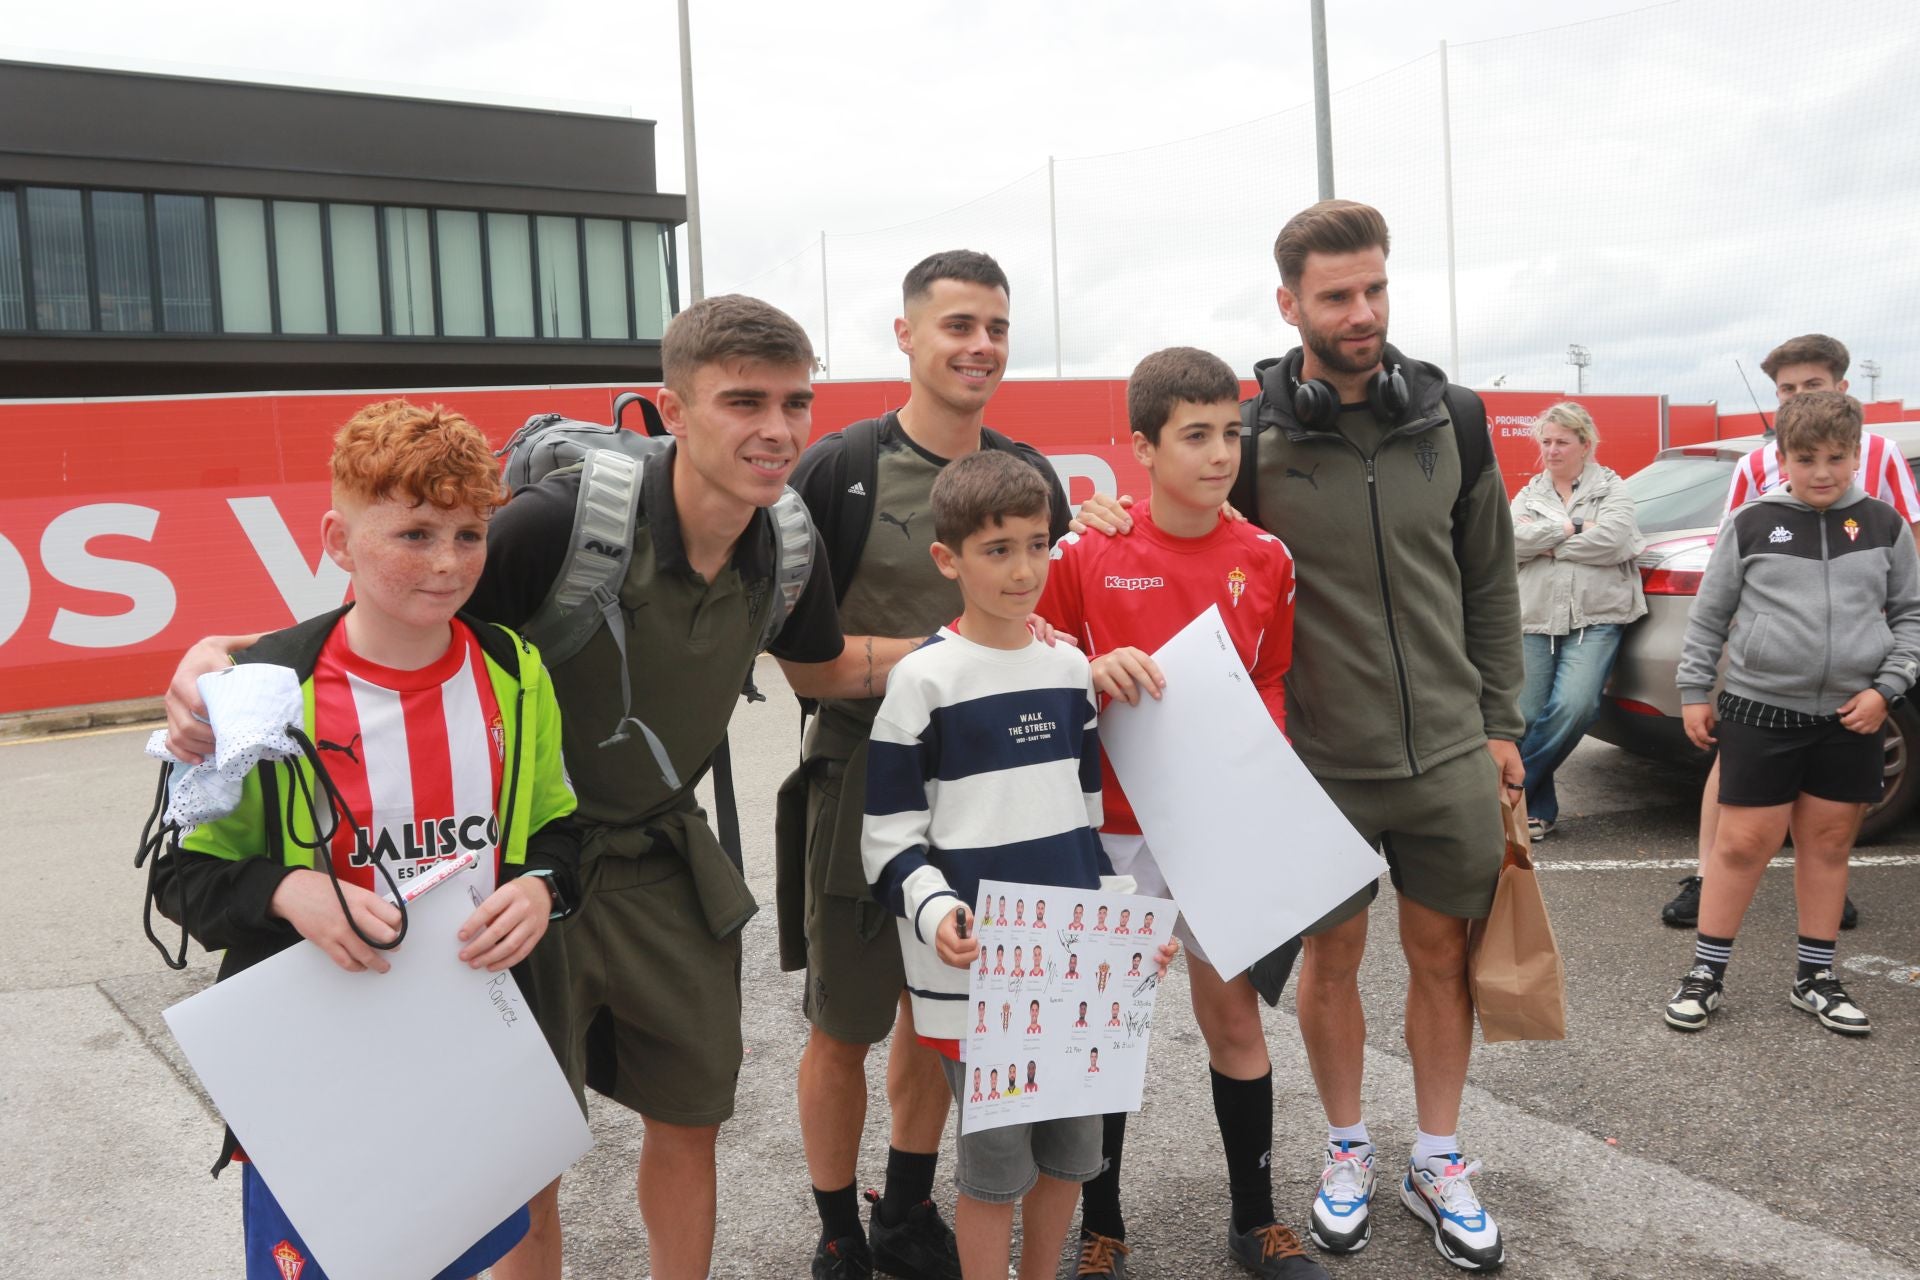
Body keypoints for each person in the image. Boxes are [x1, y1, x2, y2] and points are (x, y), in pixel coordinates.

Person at [163, 296, 876, 1280]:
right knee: (507, 1159)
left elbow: (824, 667)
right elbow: (375, 626)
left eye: (796, 401)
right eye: (743, 399)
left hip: (601, 876)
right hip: (372, 987)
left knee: (677, 1119)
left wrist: (1003, 649)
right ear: (671, 407)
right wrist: (219, 667)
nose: (778, 427)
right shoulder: (550, 529)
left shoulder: (761, 554)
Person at [150, 400, 582, 1280]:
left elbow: (561, 833)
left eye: (470, 534)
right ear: (338, 542)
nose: (449, 562)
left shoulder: (516, 671)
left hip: (467, 1049)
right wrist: (286, 890)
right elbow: (180, 876)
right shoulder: (265, 690)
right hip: (317, 1070)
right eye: (415, 534)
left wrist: (540, 888)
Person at [783, 250, 1128, 1280]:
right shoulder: (838, 470)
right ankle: (840, 1226)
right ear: (905, 336)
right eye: (958, 325)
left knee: (948, 1009)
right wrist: (947, 661)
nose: (981, 345)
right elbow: (806, 663)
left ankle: (907, 1204)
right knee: (844, 1022)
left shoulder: (1029, 477)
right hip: (864, 779)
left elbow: (1051, 632)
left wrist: (1096, 560)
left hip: (994, 792)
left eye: (997, 327)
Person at [1231, 200, 1522, 1270]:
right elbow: (1183, 533)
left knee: (1443, 956)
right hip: (1316, 760)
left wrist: (1501, 724)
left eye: (1376, 289)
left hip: (1447, 751)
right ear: (1289, 303)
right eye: (1337, 295)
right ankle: (1347, 1146)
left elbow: (1490, 582)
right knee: (1332, 955)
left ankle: (1437, 1155)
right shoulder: (1252, 434)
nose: (1363, 313)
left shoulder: (1456, 418)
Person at [1037, 346, 1319, 1280]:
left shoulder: (1264, 555)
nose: (1219, 454)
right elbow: (1031, 661)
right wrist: (1084, 671)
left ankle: (1257, 1222)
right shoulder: (1085, 552)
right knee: (1105, 1025)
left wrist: (1256, 766)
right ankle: (1102, 1225)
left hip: (1218, 820)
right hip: (1114, 825)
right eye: (1194, 435)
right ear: (1141, 447)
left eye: (1230, 433)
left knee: (1234, 1019)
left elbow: (1271, 675)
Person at [860, 449, 1171, 1280]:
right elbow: (888, 839)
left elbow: (1083, 823)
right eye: (997, 550)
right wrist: (934, 912)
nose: (1024, 568)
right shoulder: (922, 681)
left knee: (1071, 1155)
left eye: (1037, 544)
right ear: (947, 558)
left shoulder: (1071, 672)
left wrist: (1124, 929)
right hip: (976, 974)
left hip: (1074, 967)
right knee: (994, 1169)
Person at [1665, 391, 1920, 1035]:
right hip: (1759, 708)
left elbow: (1911, 618)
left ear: (1858, 454)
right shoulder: (1751, 523)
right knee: (1743, 843)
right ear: (1782, 458)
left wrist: (1885, 688)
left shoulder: (1886, 525)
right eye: (1807, 459)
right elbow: (1711, 615)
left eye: (1838, 457)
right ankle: (1706, 972)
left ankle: (1816, 977)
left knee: (1829, 844)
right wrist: (1695, 691)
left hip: (1852, 716)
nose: (1824, 471)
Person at [1510, 402, 1646, 839]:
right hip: (1534, 616)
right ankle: (1535, 811)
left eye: (1561, 442)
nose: (1551, 450)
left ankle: (1510, 790)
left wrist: (1544, 541)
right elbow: (1509, 542)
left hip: (1597, 616)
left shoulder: (1612, 490)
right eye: (1546, 441)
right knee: (1528, 714)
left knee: (1576, 706)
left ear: (1585, 444)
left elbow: (1614, 541)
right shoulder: (1529, 494)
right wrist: (1572, 529)